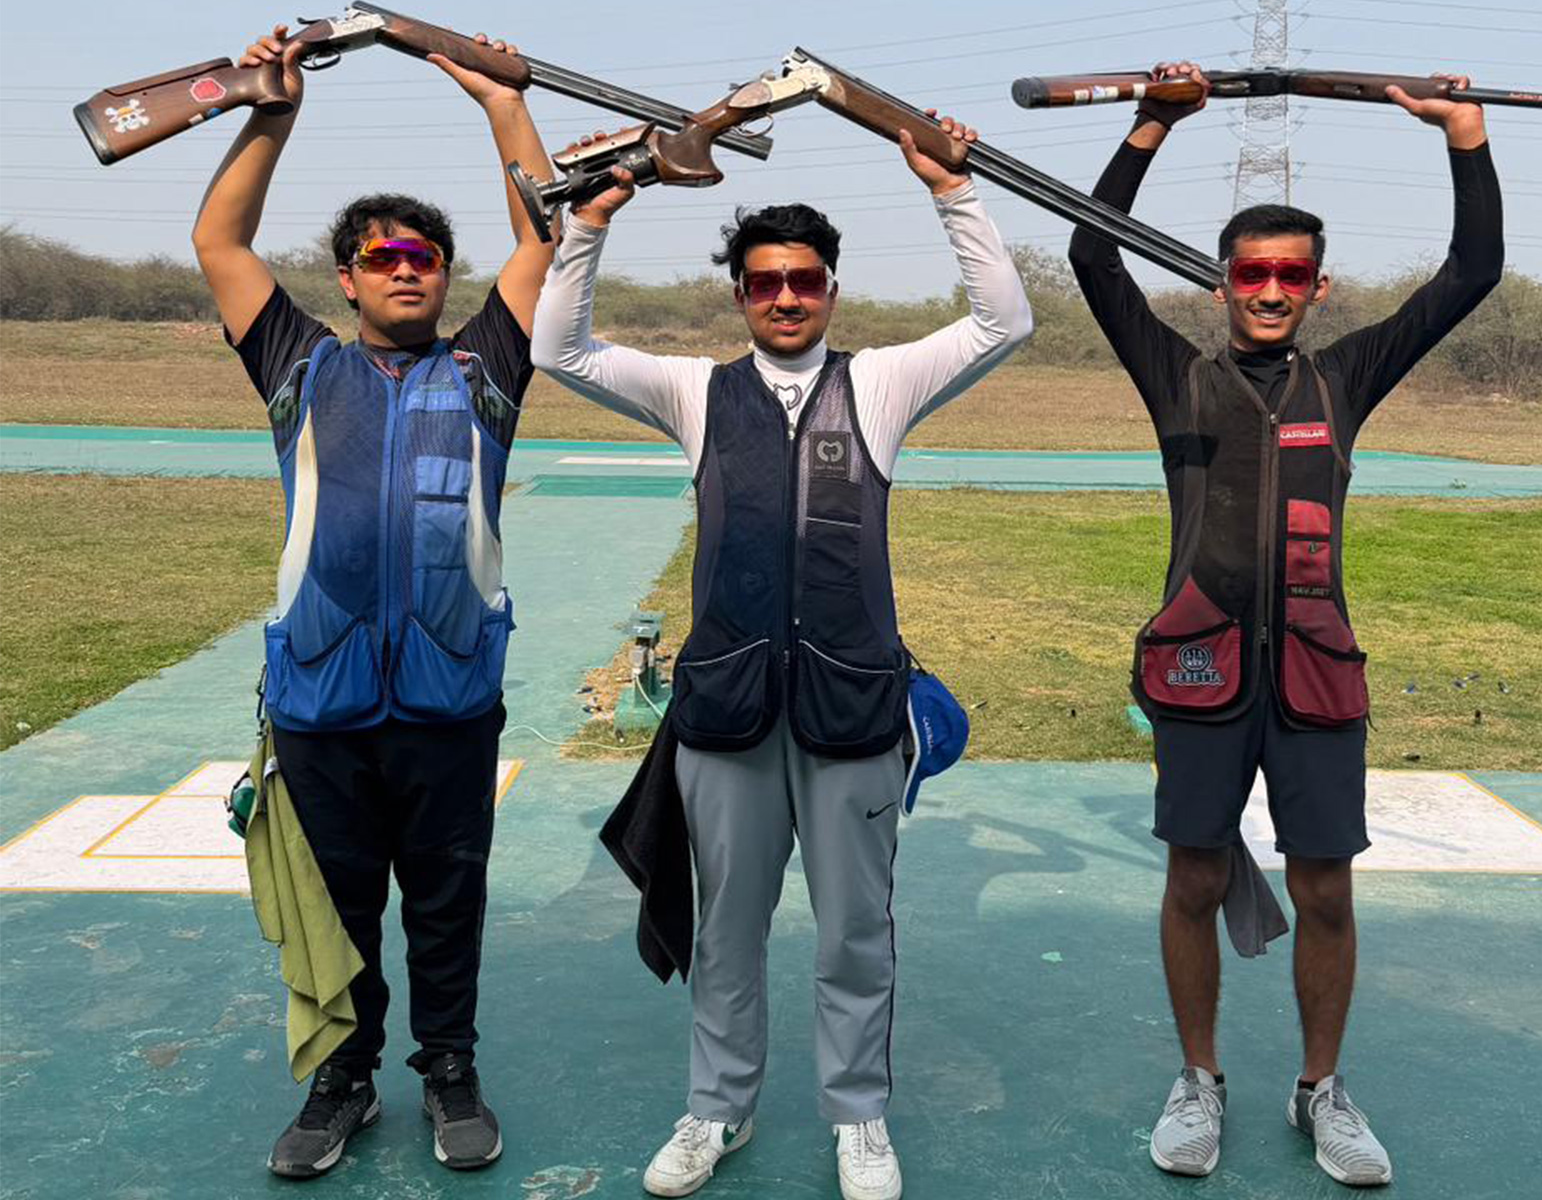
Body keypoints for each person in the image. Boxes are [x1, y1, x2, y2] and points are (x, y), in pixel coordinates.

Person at [532, 112, 1031, 1200]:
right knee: (727, 936)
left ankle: (859, 1118)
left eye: (806, 279)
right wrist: (592, 221)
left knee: (857, 935)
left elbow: (1001, 319)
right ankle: (718, 1108)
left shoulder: (886, 385)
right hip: (725, 714)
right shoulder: (694, 392)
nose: (788, 298)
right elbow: (558, 347)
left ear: (832, 288)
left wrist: (949, 190)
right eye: (765, 283)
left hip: (852, 711)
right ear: (741, 296)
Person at [1068, 62, 1502, 1187]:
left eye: (1289, 276)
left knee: (1323, 886)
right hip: (1200, 669)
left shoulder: (1347, 377)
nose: (1268, 289)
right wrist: (1150, 128)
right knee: (1195, 878)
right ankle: (1198, 1081)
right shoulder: (1174, 376)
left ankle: (1320, 1090)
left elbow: (1474, 270)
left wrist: (1464, 140)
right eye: (1251, 271)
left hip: (1315, 674)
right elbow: (1090, 254)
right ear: (1221, 283)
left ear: (1316, 287)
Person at [190, 23, 555, 1179]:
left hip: (451, 698)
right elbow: (219, 238)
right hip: (320, 694)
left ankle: (449, 1069)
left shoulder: (486, 368)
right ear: (346, 277)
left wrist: (502, 106)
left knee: (447, 907)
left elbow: (545, 236)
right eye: (383, 255)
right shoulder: (300, 366)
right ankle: (340, 1080)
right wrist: (273, 108)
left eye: (426, 257)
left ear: (445, 278)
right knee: (338, 912)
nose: (408, 268)